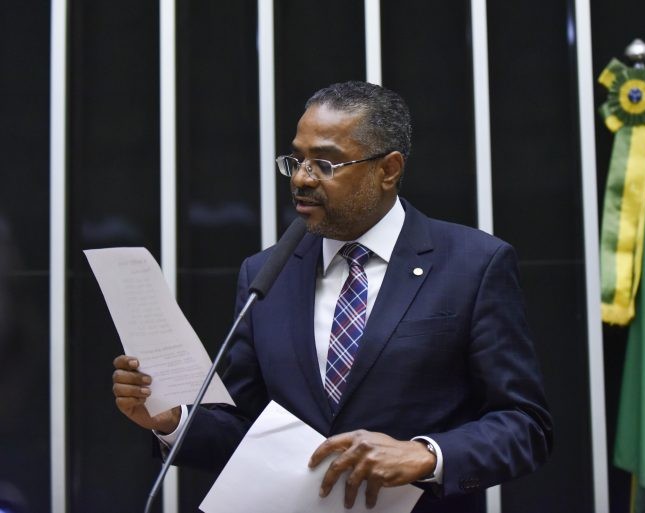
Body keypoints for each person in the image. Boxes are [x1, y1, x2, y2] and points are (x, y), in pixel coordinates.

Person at [112, 81, 553, 512]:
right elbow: (246, 428)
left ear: (388, 169)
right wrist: (172, 422)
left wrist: (425, 454)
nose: (302, 178)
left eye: (325, 163)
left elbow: (524, 425)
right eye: (296, 160)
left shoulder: (473, 264)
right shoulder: (266, 273)